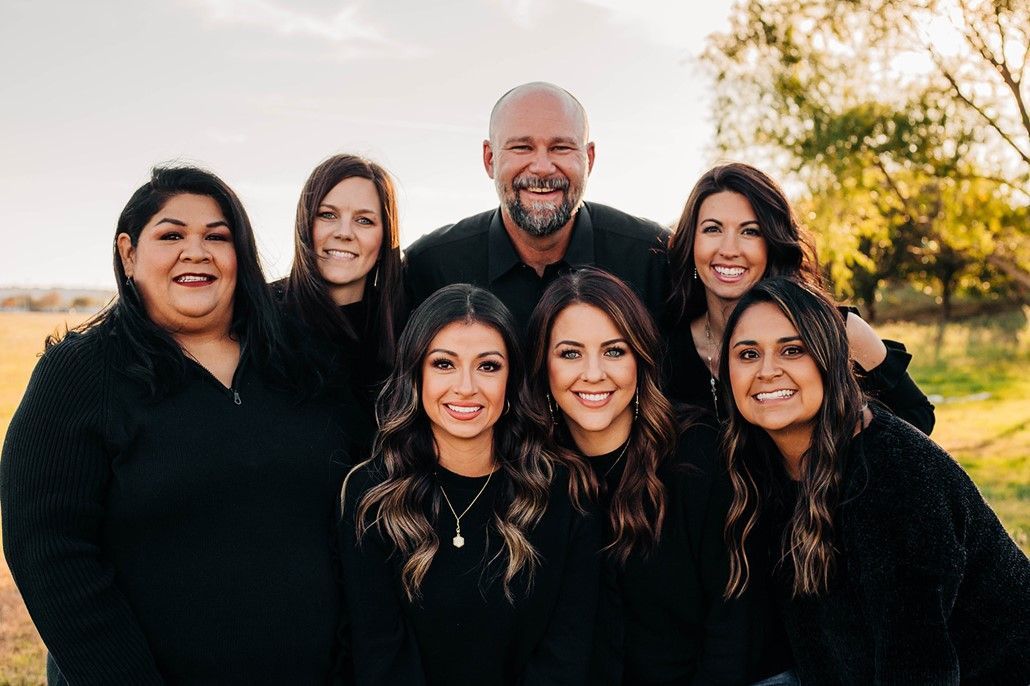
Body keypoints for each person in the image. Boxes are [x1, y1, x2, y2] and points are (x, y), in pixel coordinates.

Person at [1, 166, 356, 684]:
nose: (196, 251)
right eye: (171, 235)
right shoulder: (82, 373)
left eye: (217, 237)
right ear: (128, 252)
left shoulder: (298, 362)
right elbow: (48, 551)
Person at [721, 277, 1030, 683]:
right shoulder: (763, 465)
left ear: (829, 360)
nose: (767, 371)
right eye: (747, 354)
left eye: (792, 350)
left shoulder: (893, 475)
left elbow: (920, 668)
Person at [526, 267, 778, 685]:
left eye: (614, 351)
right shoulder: (534, 474)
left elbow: (734, 621)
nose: (593, 373)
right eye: (570, 354)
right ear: (543, 366)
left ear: (640, 358)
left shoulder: (697, 454)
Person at [339, 284, 601, 686]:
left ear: (511, 381)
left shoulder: (564, 491)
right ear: (416, 374)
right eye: (444, 364)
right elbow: (380, 655)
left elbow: (566, 650)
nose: (466, 386)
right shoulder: (372, 494)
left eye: (488, 366)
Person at [666, 162, 935, 433]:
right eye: (713, 229)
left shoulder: (837, 329)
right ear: (691, 242)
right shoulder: (666, 347)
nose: (729, 249)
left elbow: (916, 417)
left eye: (750, 231)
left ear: (772, 243)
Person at [404, 81, 670, 332]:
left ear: (589, 159)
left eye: (561, 147)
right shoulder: (430, 268)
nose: (542, 167)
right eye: (521, 147)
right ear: (490, 159)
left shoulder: (653, 260)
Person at [280, 153, 405, 419]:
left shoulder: (405, 328)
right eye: (327, 215)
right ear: (305, 224)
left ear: (385, 238)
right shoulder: (259, 316)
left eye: (364, 220)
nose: (344, 232)